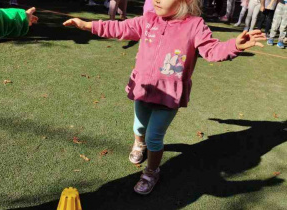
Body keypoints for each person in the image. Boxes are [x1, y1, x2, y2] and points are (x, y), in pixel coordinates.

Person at [63, 0, 266, 195]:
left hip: (169, 94)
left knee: (154, 137)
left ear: (184, 1)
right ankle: (138, 143)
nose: (156, 1)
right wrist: (87, 25)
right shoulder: (148, 19)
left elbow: (211, 50)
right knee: (139, 127)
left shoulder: (195, 25)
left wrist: (235, 45)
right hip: (144, 87)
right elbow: (119, 28)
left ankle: (151, 172)